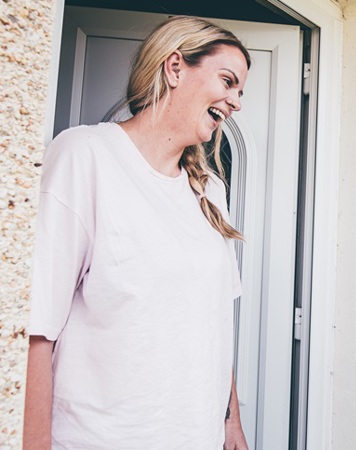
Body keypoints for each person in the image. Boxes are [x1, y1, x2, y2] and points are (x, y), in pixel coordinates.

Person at [23, 16, 251, 449]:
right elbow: (37, 327)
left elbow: (214, 321)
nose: (236, 102)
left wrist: (230, 421)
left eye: (240, 92)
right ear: (175, 67)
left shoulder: (212, 191)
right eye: (228, 81)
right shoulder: (84, 155)